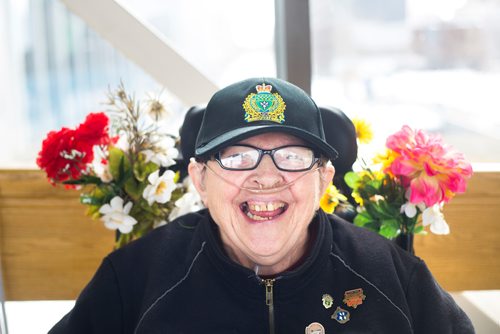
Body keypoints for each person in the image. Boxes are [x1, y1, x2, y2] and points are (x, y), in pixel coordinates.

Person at [49, 78, 474, 334]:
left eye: (291, 156)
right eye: (237, 157)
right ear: (199, 180)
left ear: (323, 179)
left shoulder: (394, 277)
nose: (266, 177)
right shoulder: (133, 280)